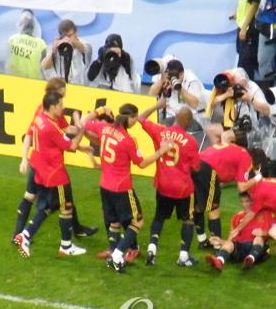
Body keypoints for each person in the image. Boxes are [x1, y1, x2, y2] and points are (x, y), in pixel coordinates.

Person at [82, 104, 172, 273]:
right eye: (135, 117)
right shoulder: (128, 140)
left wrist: (100, 110)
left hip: (105, 185)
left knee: (114, 221)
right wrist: (161, 151)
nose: (136, 121)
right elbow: (142, 163)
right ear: (129, 118)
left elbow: (83, 122)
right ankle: (117, 255)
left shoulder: (104, 128)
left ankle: (113, 252)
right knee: (137, 221)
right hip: (121, 188)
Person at [13, 77, 98, 240]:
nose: (63, 101)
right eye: (61, 96)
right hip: (46, 165)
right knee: (40, 200)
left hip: (44, 162)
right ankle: (22, 235)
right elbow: (30, 135)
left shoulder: (52, 113)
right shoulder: (43, 113)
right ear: (53, 97)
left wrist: (79, 128)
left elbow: (65, 131)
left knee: (63, 197)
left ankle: (76, 229)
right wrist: (24, 158)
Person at [137, 99, 201, 267]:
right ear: (187, 121)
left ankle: (152, 249)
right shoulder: (191, 142)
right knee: (188, 219)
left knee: (159, 217)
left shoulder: (160, 131)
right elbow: (196, 167)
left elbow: (140, 118)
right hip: (182, 188)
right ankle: (183, 256)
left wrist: (157, 106)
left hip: (163, 185)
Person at [192, 141, 257, 248]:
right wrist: (258, 178)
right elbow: (241, 187)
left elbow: (225, 168)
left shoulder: (235, 149)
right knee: (213, 208)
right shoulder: (246, 158)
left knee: (198, 204)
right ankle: (217, 245)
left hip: (195, 164)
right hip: (207, 169)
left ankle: (202, 240)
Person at [205, 192, 276, 271]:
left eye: (247, 201)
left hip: (257, 248)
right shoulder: (236, 217)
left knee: (259, 238)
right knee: (229, 244)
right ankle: (219, 261)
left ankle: (251, 258)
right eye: (242, 201)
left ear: (254, 201)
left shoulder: (266, 214)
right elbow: (231, 240)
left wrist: (263, 233)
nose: (245, 205)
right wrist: (220, 241)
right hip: (240, 248)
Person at [205, 67, 270, 146]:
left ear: (245, 81)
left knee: (226, 136)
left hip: (250, 127)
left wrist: (250, 99)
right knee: (210, 130)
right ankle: (220, 153)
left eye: (239, 85)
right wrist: (226, 95)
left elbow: (267, 110)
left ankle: (230, 153)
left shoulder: (253, 88)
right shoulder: (227, 87)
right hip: (234, 124)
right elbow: (211, 103)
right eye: (234, 84)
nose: (237, 87)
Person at [148, 58, 209, 130]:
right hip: (171, 116)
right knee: (159, 129)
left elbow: (195, 103)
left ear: (181, 73)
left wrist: (180, 89)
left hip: (191, 118)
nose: (172, 79)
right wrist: (161, 81)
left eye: (175, 77)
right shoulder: (167, 76)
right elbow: (150, 95)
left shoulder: (192, 81)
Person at [231, 0, 261, 80]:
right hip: (241, 23)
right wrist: (237, 12)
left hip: (248, 26)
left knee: (245, 63)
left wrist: (244, 27)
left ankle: (247, 90)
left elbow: (254, 4)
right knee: (241, 55)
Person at [41, 19, 91, 85]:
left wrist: (72, 41)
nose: (67, 38)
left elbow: (85, 50)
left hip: (80, 85)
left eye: (70, 35)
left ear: (76, 32)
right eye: (65, 36)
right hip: (63, 85)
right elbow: (45, 66)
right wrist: (54, 50)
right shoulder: (58, 46)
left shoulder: (84, 43)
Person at [7, 10, 48, 79]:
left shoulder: (13, 39)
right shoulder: (41, 43)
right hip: (29, 80)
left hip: (14, 79)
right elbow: (44, 66)